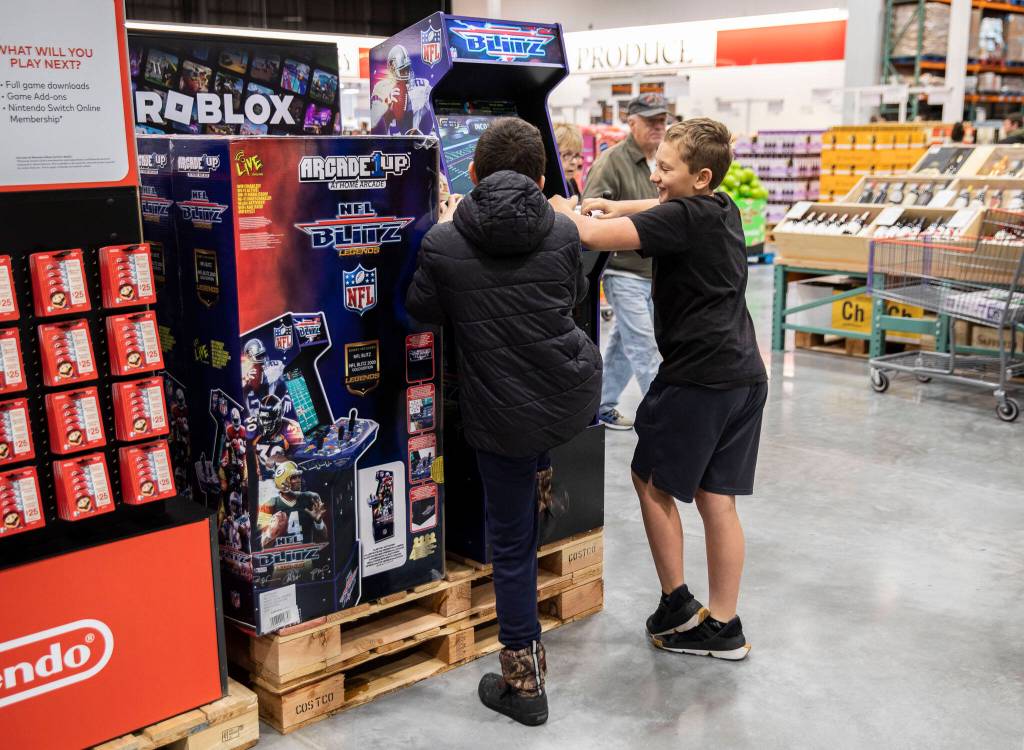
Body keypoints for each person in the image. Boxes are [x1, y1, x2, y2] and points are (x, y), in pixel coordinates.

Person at [550, 117, 768, 661]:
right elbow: (655, 211)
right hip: (744, 373)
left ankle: (675, 601)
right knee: (717, 499)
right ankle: (724, 624)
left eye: (666, 168)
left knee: (649, 478)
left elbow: (594, 238)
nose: (655, 173)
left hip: (699, 378)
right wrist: (617, 205)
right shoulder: (720, 208)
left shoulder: (687, 216)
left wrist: (560, 210)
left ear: (702, 176)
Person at [406, 118, 601, 725]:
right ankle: (540, 501)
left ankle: (524, 685)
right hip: (566, 389)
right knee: (533, 469)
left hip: (501, 407)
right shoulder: (564, 231)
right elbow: (568, 298)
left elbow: (421, 313)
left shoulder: (442, 243)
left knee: (510, 548)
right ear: (543, 180)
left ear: (471, 172)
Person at [583, 93, 668, 430]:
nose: (658, 126)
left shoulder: (664, 160)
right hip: (623, 271)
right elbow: (590, 213)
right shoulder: (611, 162)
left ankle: (602, 404)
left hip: (656, 270)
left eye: (662, 119)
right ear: (631, 123)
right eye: (650, 121)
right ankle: (665, 420)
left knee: (622, 343)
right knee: (645, 346)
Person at [553, 122, 584, 197]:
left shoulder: (571, 183)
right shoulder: (543, 187)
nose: (574, 161)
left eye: (577, 155)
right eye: (567, 154)